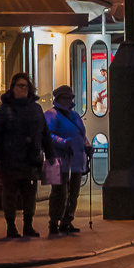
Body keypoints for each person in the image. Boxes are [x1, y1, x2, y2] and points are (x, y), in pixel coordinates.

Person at [0, 72, 53, 240]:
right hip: (9, 160)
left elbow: (44, 133)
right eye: (19, 86)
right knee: (9, 194)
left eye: (25, 86)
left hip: (31, 160)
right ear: (13, 88)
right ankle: (11, 226)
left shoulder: (36, 109)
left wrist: (50, 154)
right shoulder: (4, 110)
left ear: (29, 89)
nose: (22, 89)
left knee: (30, 195)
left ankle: (28, 225)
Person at [45, 85, 90, 236]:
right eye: (64, 97)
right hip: (60, 161)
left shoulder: (75, 115)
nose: (67, 100)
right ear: (58, 99)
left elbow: (81, 135)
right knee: (59, 193)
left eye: (69, 97)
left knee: (73, 192)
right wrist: (63, 142)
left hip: (76, 160)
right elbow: (47, 135)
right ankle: (54, 221)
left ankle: (67, 221)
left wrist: (87, 146)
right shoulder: (52, 115)